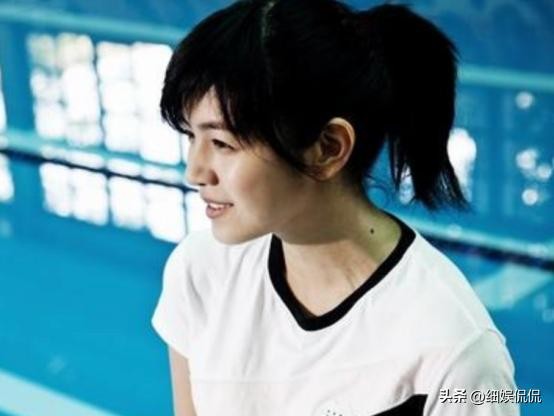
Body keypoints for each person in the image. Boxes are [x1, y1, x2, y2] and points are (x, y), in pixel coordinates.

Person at [151, 1, 519, 415]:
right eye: (191, 136)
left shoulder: (457, 352)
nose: (195, 171)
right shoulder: (200, 271)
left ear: (328, 148)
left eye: (222, 143)